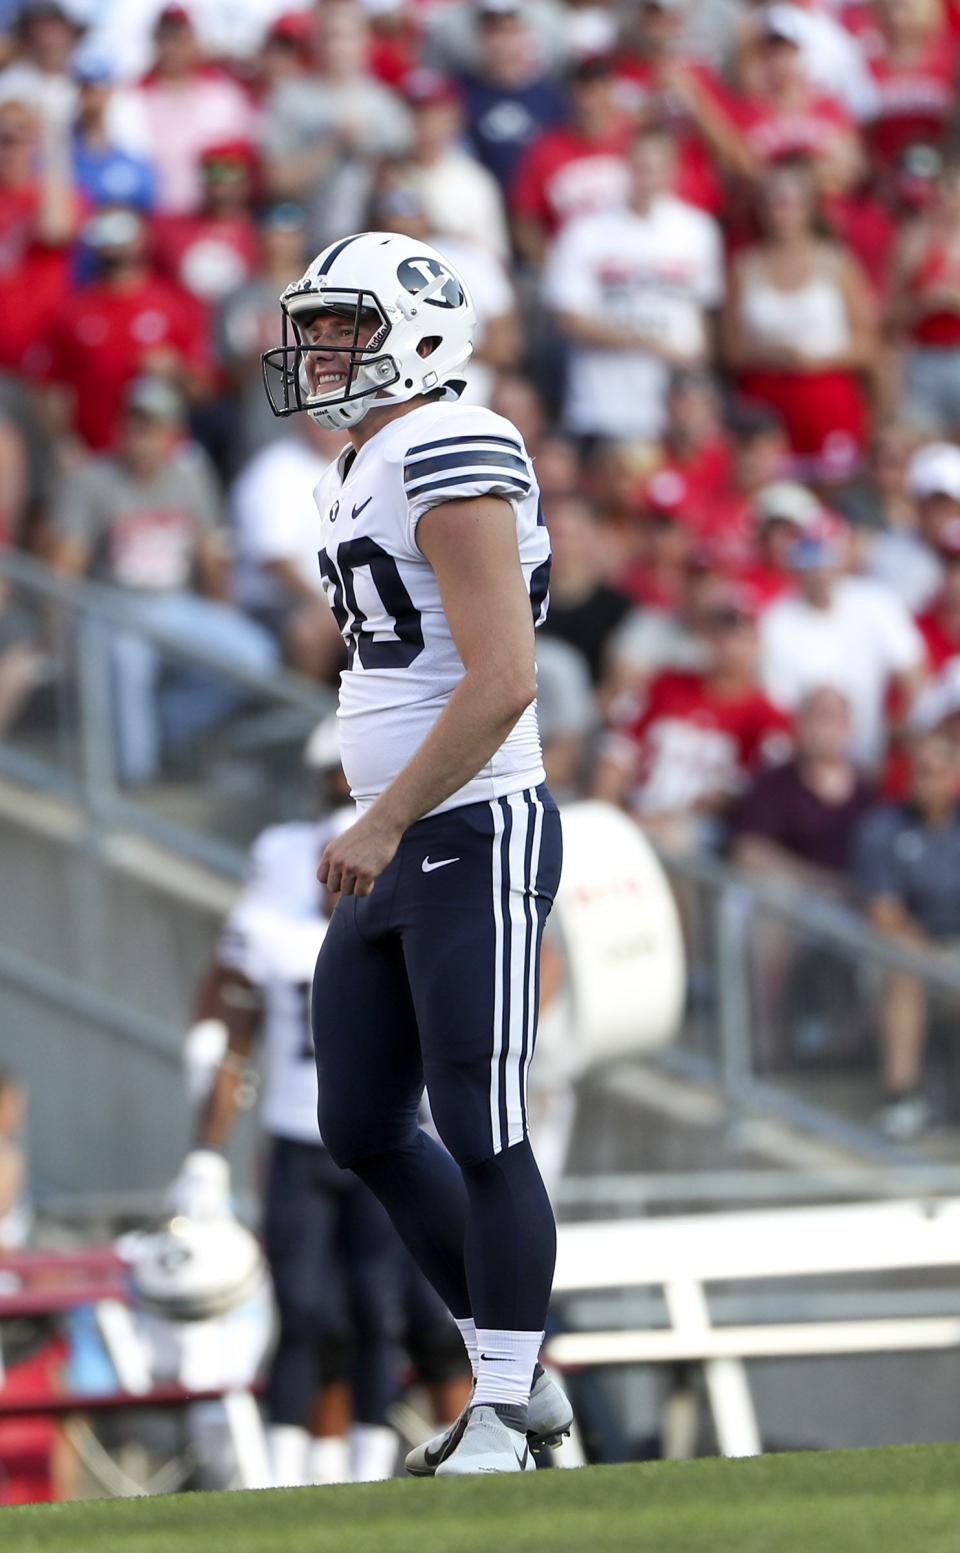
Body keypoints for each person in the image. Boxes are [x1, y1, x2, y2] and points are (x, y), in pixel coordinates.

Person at [259, 228, 571, 1475]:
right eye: (316, 327)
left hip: (472, 816)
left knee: (480, 1118)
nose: (319, 349)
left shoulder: (452, 438)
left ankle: (499, 1394)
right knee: (362, 1122)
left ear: (418, 330)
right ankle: (519, 1376)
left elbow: (502, 677)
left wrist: (385, 813)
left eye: (341, 325)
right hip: (401, 832)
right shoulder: (363, 457)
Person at [169, 758, 406, 1488]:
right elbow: (232, 1033)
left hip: (381, 1143)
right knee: (302, 1311)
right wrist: (207, 1145)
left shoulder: (402, 939)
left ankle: (370, 1462)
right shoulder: (276, 934)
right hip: (299, 1140)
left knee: (378, 1311)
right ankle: (283, 1467)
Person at [48, 375, 278, 784]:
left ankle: (168, 725)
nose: (143, 437)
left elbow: (212, 554)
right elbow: (66, 566)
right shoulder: (93, 480)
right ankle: (137, 779)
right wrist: (58, 635)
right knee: (127, 657)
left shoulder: (189, 476)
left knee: (255, 656)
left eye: (153, 427)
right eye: (136, 425)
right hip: (112, 608)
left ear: (172, 433)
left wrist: (222, 612)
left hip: (173, 605)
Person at [544, 121, 724, 447]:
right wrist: (649, 343)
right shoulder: (585, 230)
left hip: (674, 412)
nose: (648, 178)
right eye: (640, 167)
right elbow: (568, 318)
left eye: (657, 167)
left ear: (674, 170)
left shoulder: (698, 231)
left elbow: (705, 319)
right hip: (601, 403)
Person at [722, 161, 877, 483]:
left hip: (826, 395)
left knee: (835, 489)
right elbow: (731, 348)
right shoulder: (744, 266)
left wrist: (817, 359)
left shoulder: (837, 261)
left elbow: (867, 343)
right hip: (766, 397)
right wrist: (773, 355)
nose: (781, 212)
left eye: (790, 201)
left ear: (809, 208)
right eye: (773, 202)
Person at [854, 727, 960, 1140]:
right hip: (905, 951)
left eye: (934, 771)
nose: (923, 779)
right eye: (917, 770)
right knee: (905, 973)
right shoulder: (884, 828)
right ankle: (904, 1098)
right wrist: (938, 962)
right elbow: (885, 913)